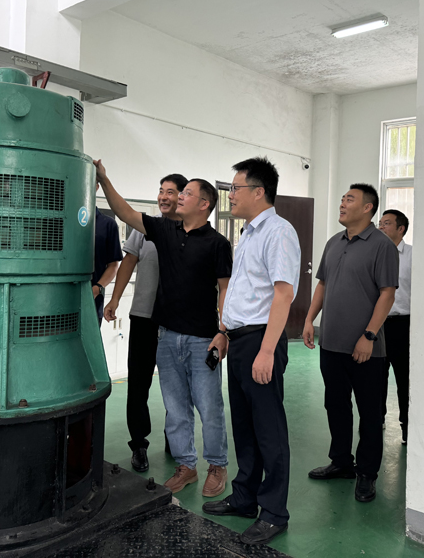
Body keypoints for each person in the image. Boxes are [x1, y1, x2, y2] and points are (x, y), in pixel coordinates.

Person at [93, 159, 232, 498]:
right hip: (167, 336)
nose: (177, 197)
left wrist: (223, 330)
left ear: (204, 204)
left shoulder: (217, 244)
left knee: (209, 407)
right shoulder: (164, 231)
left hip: (202, 339)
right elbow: (126, 213)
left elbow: (225, 289)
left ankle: (217, 465)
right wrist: (104, 180)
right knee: (176, 407)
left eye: (185, 193)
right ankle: (186, 466)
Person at [202, 158, 300, 545]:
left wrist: (267, 350)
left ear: (258, 192)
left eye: (235, 188)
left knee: (269, 431)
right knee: (244, 426)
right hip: (241, 339)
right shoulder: (248, 234)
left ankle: (274, 513)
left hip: (262, 341)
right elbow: (243, 292)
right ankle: (245, 497)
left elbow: (283, 294)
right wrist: (224, 331)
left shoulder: (278, 232)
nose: (230, 195)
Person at [303, 184, 398, 503]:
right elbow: (323, 284)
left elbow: (387, 294)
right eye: (342, 198)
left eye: (350, 199)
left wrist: (369, 336)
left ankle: (367, 474)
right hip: (331, 343)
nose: (342, 203)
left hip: (366, 348)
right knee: (336, 405)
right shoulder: (334, 242)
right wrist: (309, 319)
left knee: (370, 413)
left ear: (368, 208)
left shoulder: (382, 246)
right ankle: (341, 462)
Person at [103, 173, 189, 473]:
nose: (163, 197)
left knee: (176, 384)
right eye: (161, 191)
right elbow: (128, 262)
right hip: (143, 317)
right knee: (139, 384)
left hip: (177, 321)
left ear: (183, 196)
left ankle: (174, 438)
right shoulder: (145, 228)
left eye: (171, 192)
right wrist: (114, 299)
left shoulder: (191, 230)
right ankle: (138, 444)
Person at [377, 209, 412, 445]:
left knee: (404, 380)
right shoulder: (375, 254)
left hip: (403, 324)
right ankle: (376, 420)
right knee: (376, 377)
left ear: (401, 229)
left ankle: (407, 427)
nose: (381, 227)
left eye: (386, 223)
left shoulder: (413, 256)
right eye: (380, 223)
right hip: (378, 325)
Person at [92, 184, 123, 326]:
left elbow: (113, 265)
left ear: (96, 186)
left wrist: (97, 288)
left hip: (92, 301)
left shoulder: (107, 224)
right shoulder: (60, 221)